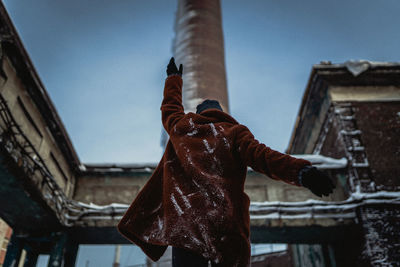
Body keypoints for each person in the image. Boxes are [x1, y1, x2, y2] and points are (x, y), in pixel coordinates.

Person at [117, 57, 335, 267]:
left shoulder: (182, 127)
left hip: (187, 222)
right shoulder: (234, 133)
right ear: (221, 114)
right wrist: (303, 172)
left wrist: (173, 78)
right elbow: (264, 157)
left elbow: (170, 108)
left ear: (199, 114)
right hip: (226, 221)